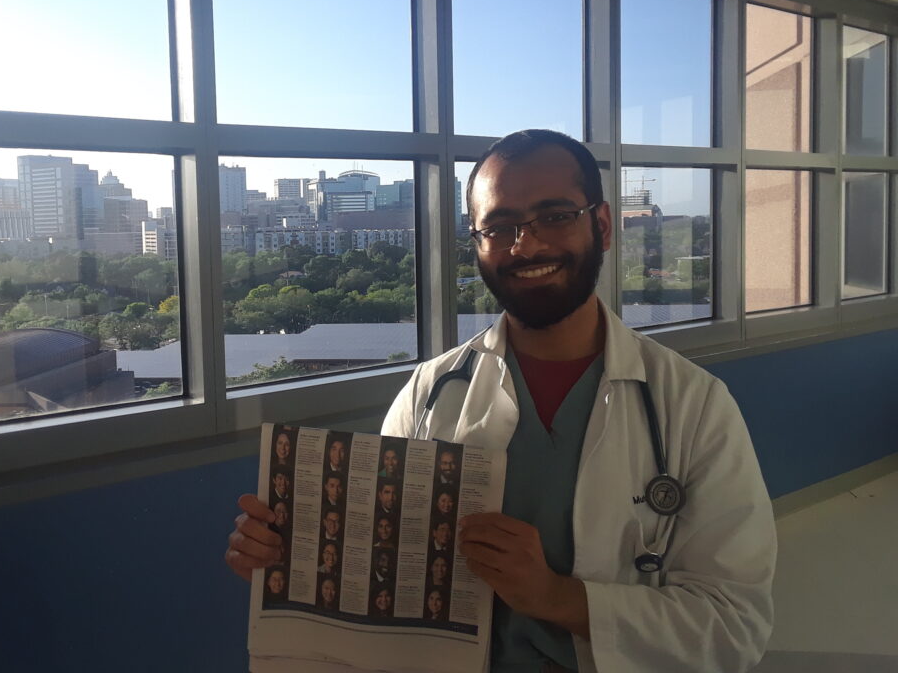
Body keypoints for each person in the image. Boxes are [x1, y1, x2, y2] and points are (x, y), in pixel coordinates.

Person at [226, 129, 776, 672]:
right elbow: (378, 567)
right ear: (478, 243)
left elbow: (734, 626)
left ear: (602, 226)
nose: (526, 245)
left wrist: (557, 598)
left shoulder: (694, 406)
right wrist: (285, 560)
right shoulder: (428, 393)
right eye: (500, 226)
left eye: (555, 216)